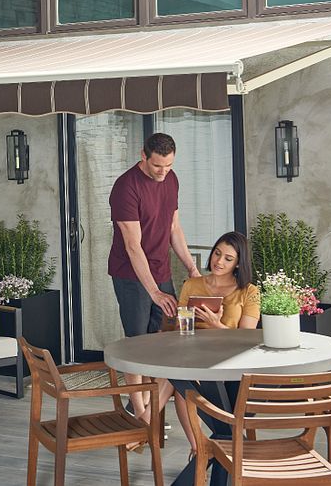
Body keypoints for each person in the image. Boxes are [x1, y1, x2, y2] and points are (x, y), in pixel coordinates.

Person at [134, 231, 260, 456]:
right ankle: (197, 448)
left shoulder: (249, 292)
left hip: (228, 360)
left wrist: (216, 325)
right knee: (181, 376)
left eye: (228, 258)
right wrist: (185, 322)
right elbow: (180, 330)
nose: (219, 261)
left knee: (181, 379)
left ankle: (145, 427)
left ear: (238, 263)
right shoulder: (192, 285)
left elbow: (246, 340)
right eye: (217, 253)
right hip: (191, 354)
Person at [109, 132, 201, 420]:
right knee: (136, 342)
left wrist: (191, 267)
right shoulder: (126, 187)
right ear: (143, 155)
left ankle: (147, 408)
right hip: (131, 275)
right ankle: (139, 413)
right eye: (158, 166)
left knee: (163, 338)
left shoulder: (171, 179)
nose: (163, 172)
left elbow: (174, 228)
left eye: (169, 165)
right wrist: (154, 292)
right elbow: (132, 246)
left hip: (161, 270)